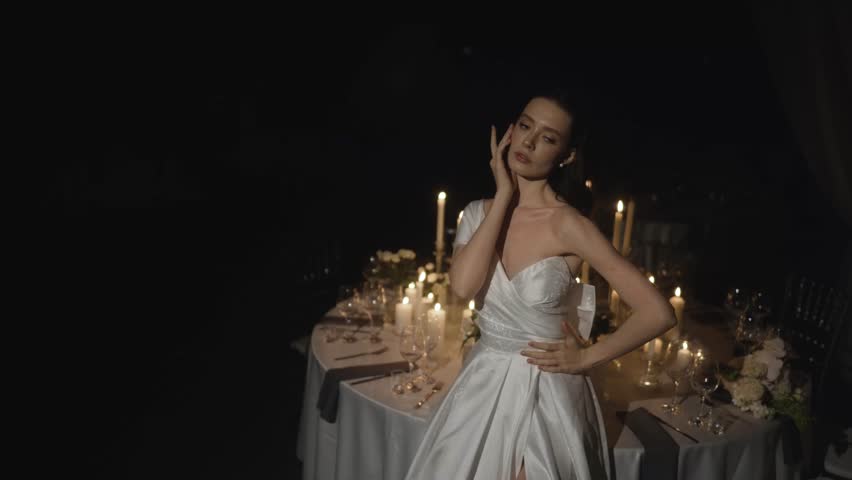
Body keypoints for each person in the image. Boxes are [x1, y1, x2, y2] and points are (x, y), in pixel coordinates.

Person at [403, 92, 677, 480]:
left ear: (566, 155)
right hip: (482, 382)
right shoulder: (477, 213)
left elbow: (658, 312)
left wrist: (587, 358)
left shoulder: (569, 224)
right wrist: (503, 195)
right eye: (525, 126)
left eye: (548, 138)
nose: (529, 142)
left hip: (545, 392)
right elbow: (463, 287)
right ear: (511, 130)